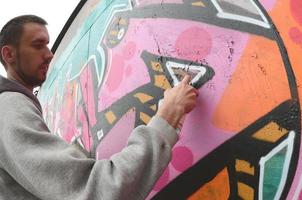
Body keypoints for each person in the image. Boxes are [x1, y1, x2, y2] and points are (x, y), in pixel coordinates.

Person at [0, 15, 198, 200]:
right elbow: (96, 190)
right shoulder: (8, 107)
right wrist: (167, 117)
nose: (49, 55)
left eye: (48, 46)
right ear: (8, 54)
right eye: (37, 45)